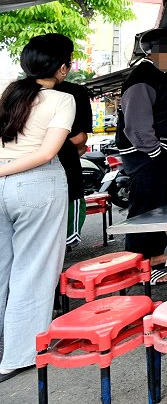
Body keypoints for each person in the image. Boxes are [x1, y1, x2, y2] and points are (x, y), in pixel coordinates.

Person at [0, 36, 75, 382]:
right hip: (36, 183)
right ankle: (18, 355)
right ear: (61, 67)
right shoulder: (62, 99)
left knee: (2, 268)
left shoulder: (9, 92)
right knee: (33, 269)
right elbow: (47, 153)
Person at [115, 28, 167, 285]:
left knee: (164, 205)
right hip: (146, 155)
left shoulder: (159, 76)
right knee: (146, 209)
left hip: (161, 154)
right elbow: (136, 125)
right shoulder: (142, 78)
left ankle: (156, 256)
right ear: (159, 51)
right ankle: (138, 267)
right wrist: (155, 152)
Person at [39, 34, 94, 248]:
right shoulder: (69, 95)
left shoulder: (13, 93)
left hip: (13, 181)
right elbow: (78, 139)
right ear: (63, 67)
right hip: (61, 175)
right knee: (55, 247)